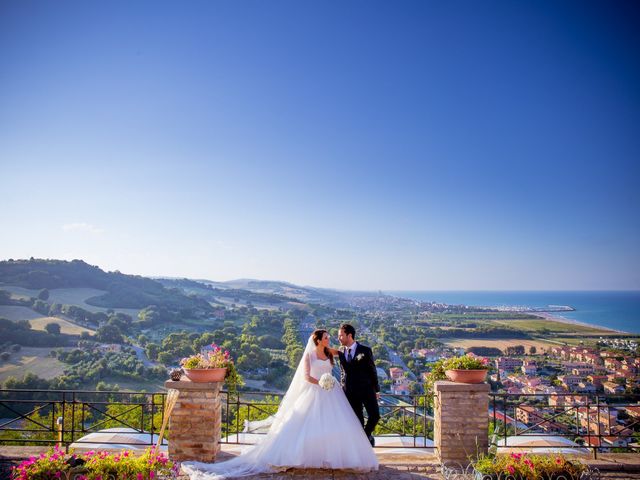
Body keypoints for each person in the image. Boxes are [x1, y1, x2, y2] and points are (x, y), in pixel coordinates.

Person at [181, 329, 378, 479]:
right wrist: (320, 382)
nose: (329, 339)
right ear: (317, 340)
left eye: (329, 337)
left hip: (331, 393)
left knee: (335, 423)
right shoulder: (309, 356)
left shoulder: (330, 352)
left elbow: (347, 357)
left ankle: (332, 455)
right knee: (306, 424)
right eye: (326, 337)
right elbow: (307, 376)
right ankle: (303, 455)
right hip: (315, 390)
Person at [333, 323, 381, 447]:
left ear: (349, 335)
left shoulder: (365, 350)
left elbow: (372, 370)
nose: (338, 338)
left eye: (341, 335)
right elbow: (343, 371)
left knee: (375, 415)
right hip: (349, 392)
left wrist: (377, 390)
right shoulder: (341, 351)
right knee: (357, 420)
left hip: (366, 390)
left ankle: (365, 437)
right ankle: (362, 447)